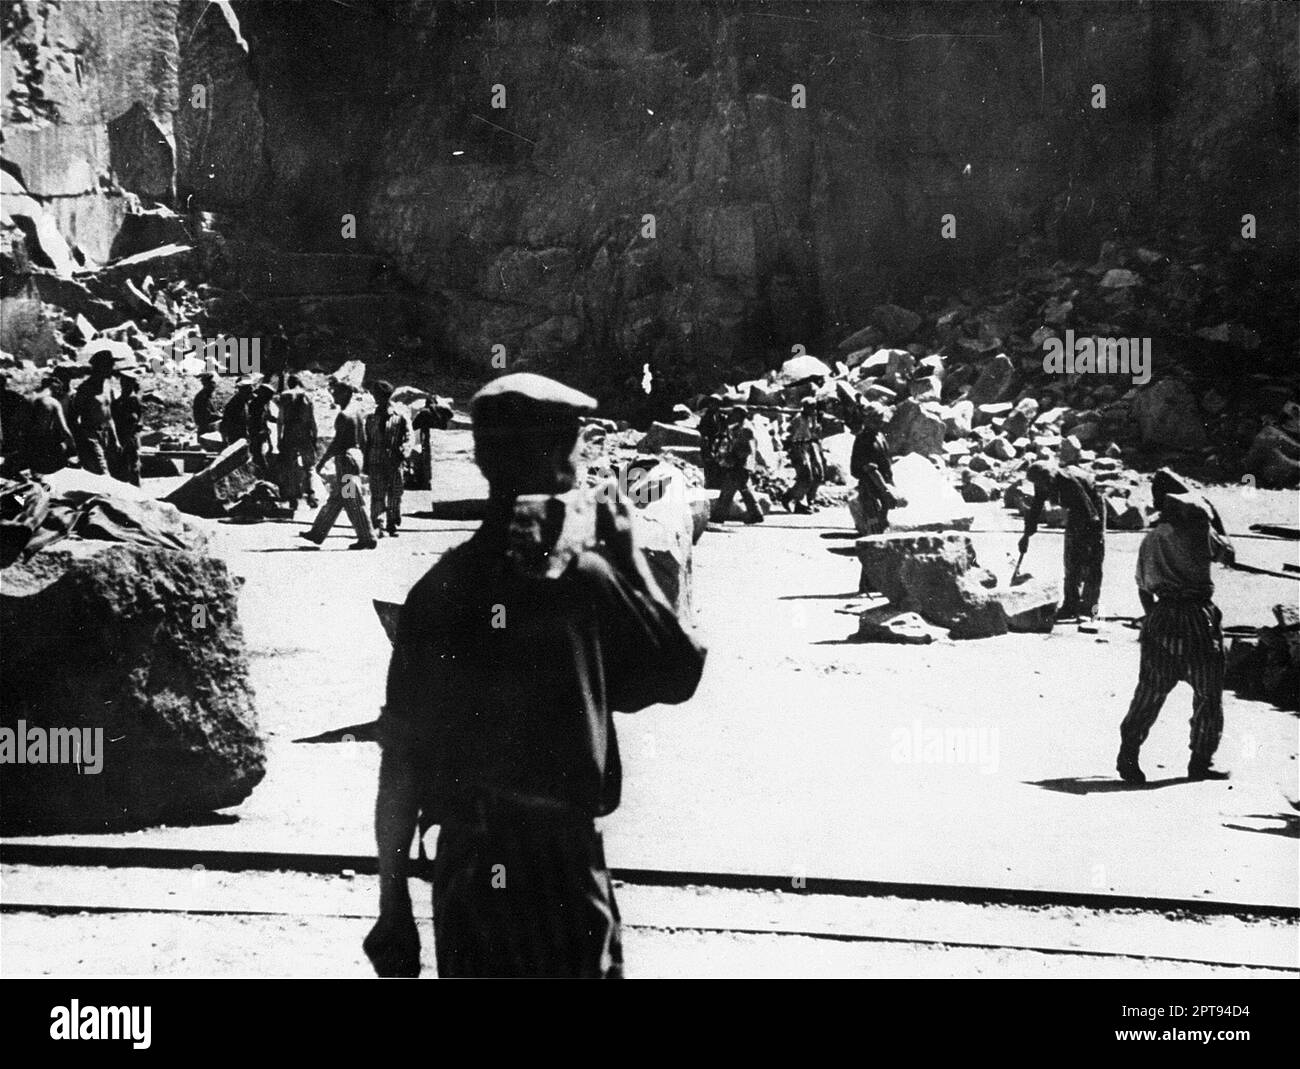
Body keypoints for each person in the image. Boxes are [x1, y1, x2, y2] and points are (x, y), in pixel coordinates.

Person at [365, 371, 706, 978]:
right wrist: (629, 560)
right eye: (577, 448)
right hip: (563, 866)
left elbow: (401, 765)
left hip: (472, 870)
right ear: (557, 461)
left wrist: (393, 907)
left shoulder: (439, 592)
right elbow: (676, 674)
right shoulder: (586, 582)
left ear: (480, 459)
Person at [1117, 491, 1236, 784]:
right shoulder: (1200, 531)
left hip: (1163, 617)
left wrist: (1154, 619)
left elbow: (1143, 586)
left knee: (1149, 692)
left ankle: (1128, 756)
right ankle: (1200, 762)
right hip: (1198, 619)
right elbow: (1229, 553)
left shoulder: (1152, 538)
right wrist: (1216, 518)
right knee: (1208, 693)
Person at [1019, 461, 1106, 619]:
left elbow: (1090, 512)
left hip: (1093, 507)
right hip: (1075, 510)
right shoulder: (1043, 482)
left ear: (1048, 478)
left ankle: (1090, 607)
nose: (1039, 487)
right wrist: (1026, 535)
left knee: (1093, 561)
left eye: (1040, 483)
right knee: (1071, 559)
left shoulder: (1068, 481)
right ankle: (1070, 606)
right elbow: (1037, 505)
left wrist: (1091, 539)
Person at [299, 379, 375, 549]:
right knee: (337, 498)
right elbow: (363, 440)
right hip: (355, 457)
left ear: (346, 394)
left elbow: (337, 443)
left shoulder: (343, 415)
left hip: (345, 460)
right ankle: (317, 532)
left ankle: (367, 537)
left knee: (351, 498)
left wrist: (323, 461)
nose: (333, 395)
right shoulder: (356, 413)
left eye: (337, 392)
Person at [365, 380, 410, 538]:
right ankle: (378, 524)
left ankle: (392, 523)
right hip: (376, 460)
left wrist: (404, 451)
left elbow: (408, 437)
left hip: (394, 461)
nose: (375, 398)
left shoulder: (400, 416)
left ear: (386, 397)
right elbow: (367, 441)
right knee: (377, 493)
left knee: (395, 493)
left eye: (378, 395)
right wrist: (366, 461)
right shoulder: (371, 417)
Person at [69, 346, 124, 478]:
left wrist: (115, 439)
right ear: (99, 367)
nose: (112, 368)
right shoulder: (85, 389)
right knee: (101, 471)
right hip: (91, 434)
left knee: (109, 471)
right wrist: (81, 441)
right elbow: (74, 417)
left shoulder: (107, 386)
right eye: (109, 365)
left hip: (106, 433)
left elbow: (109, 415)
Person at [712, 406, 764, 524]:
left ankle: (718, 516)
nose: (731, 416)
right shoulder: (740, 427)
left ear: (740, 415)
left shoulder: (746, 429)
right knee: (744, 490)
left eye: (734, 414)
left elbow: (749, 449)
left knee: (728, 491)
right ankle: (756, 514)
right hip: (740, 463)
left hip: (740, 464)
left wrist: (735, 458)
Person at [277, 375, 318, 510]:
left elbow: (281, 418)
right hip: (304, 432)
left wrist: (279, 437)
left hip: (289, 431)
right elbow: (312, 418)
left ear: (289, 384)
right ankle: (311, 495)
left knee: (290, 465)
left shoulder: (285, 395)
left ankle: (293, 498)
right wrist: (314, 436)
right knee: (309, 466)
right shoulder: (307, 396)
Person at [783, 397, 824, 513]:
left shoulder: (813, 418)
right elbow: (791, 434)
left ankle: (811, 500)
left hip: (811, 445)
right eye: (810, 407)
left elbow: (815, 432)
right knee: (806, 476)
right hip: (799, 446)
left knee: (819, 474)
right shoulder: (798, 419)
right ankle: (794, 499)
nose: (813, 409)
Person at [111, 371, 143, 486]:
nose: (124, 384)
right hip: (120, 435)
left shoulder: (134, 400)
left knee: (133, 465)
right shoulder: (119, 401)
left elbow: (137, 420)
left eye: (127, 382)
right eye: (123, 381)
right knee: (122, 465)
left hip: (130, 436)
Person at [246, 381, 277, 476]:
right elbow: (252, 422)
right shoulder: (254, 405)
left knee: (262, 455)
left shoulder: (264, 404)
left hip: (262, 434)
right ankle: (264, 475)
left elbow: (267, 416)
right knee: (258, 457)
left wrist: (280, 420)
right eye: (268, 396)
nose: (269, 399)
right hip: (255, 435)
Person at [697, 395, 726, 490]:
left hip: (717, 444)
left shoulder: (719, 416)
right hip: (708, 443)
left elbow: (722, 429)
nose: (713, 405)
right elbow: (703, 430)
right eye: (712, 403)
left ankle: (715, 484)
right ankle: (708, 485)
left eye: (716, 403)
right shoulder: (706, 416)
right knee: (707, 464)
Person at [219, 376, 256, 446]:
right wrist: (225, 441)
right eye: (249, 390)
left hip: (244, 439)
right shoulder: (233, 405)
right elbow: (224, 425)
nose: (252, 393)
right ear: (242, 390)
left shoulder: (244, 403)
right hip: (236, 441)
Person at [192, 372, 219, 437]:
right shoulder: (202, 397)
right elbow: (206, 415)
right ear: (206, 385)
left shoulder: (208, 396)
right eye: (211, 385)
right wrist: (221, 416)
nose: (213, 387)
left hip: (210, 429)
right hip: (205, 430)